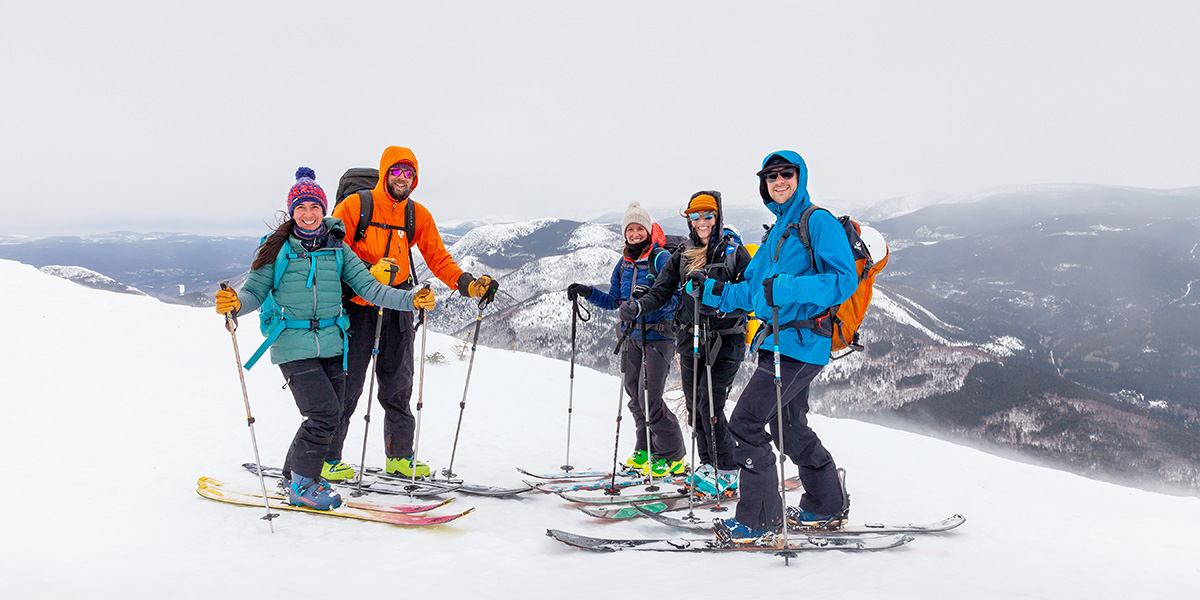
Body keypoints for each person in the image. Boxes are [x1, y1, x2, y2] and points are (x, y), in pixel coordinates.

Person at [214, 168, 436, 510]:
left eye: (314, 207)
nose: (308, 214)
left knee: (328, 414)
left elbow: (370, 288)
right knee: (324, 414)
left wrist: (411, 300)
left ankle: (292, 475)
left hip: (334, 343)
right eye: (301, 207)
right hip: (293, 342)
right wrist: (235, 305)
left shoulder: (338, 248)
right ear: (292, 211)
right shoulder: (276, 249)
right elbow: (254, 292)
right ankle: (303, 485)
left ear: (323, 209)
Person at [693, 151, 858, 543]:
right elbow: (752, 293)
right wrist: (711, 291)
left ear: (800, 178)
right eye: (771, 176)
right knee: (788, 428)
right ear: (763, 185)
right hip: (776, 342)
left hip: (803, 342)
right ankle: (827, 504)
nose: (779, 181)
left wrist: (790, 287)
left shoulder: (817, 221)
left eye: (786, 174)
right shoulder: (775, 234)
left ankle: (760, 519)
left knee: (745, 423)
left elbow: (844, 279)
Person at [325, 146, 499, 481]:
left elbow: (438, 259)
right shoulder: (356, 206)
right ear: (385, 173)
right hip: (358, 306)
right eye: (397, 171)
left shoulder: (416, 215)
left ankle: (400, 457)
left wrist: (468, 285)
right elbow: (334, 252)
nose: (402, 178)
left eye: (409, 173)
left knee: (398, 385)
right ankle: (328, 457)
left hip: (400, 305)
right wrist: (369, 272)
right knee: (348, 385)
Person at [623, 191, 751, 496]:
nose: (701, 221)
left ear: (718, 217)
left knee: (711, 405)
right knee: (695, 407)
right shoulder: (682, 254)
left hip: (726, 340)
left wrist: (717, 300)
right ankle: (708, 464)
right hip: (690, 338)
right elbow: (661, 291)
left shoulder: (734, 253)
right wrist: (639, 307)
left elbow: (750, 296)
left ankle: (727, 469)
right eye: (695, 216)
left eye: (708, 215)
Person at [567, 201, 686, 477]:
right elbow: (614, 301)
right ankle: (645, 449)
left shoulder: (660, 259)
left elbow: (676, 297)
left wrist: (645, 303)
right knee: (635, 396)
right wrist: (587, 291)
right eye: (629, 230)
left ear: (648, 230)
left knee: (650, 399)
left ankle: (672, 456)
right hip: (632, 337)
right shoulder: (624, 264)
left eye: (639, 228)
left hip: (658, 336)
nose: (634, 234)